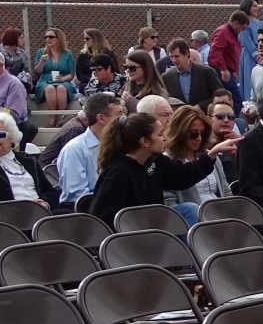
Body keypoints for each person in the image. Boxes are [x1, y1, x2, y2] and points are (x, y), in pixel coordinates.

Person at [90, 111, 236, 227]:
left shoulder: (155, 160)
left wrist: (211, 155)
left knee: (189, 209)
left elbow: (184, 176)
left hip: (155, 228)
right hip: (132, 237)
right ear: (145, 141)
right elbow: (103, 219)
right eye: (160, 134)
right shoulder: (118, 173)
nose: (165, 138)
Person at [55, 93, 123, 209]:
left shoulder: (122, 144)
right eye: (119, 114)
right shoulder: (74, 149)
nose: (124, 118)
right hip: (83, 211)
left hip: (114, 206)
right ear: (101, 118)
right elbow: (78, 195)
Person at [163, 104, 232, 214]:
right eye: (193, 134)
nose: (199, 138)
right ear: (180, 132)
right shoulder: (167, 161)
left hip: (221, 215)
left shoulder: (211, 156)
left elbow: (226, 191)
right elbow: (169, 204)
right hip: (192, 219)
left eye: (202, 133)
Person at [164, 39, 223, 109]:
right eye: (171, 57)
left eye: (177, 56)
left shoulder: (206, 72)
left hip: (203, 113)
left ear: (187, 53)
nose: (174, 60)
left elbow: (220, 95)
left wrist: (200, 106)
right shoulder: (167, 77)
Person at [31, 27, 76, 111]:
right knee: (50, 88)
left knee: (61, 88)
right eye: (46, 37)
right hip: (45, 80)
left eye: (51, 37)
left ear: (59, 38)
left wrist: (62, 79)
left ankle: (61, 116)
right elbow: (37, 72)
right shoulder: (41, 52)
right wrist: (42, 61)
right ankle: (52, 117)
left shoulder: (67, 54)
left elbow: (71, 73)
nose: (48, 39)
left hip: (63, 80)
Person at [207, 10, 247, 98]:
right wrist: (223, 69)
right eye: (242, 28)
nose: (242, 31)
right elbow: (215, 51)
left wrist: (232, 71)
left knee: (228, 97)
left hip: (227, 70)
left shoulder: (231, 34)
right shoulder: (223, 32)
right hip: (220, 70)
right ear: (236, 23)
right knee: (235, 99)